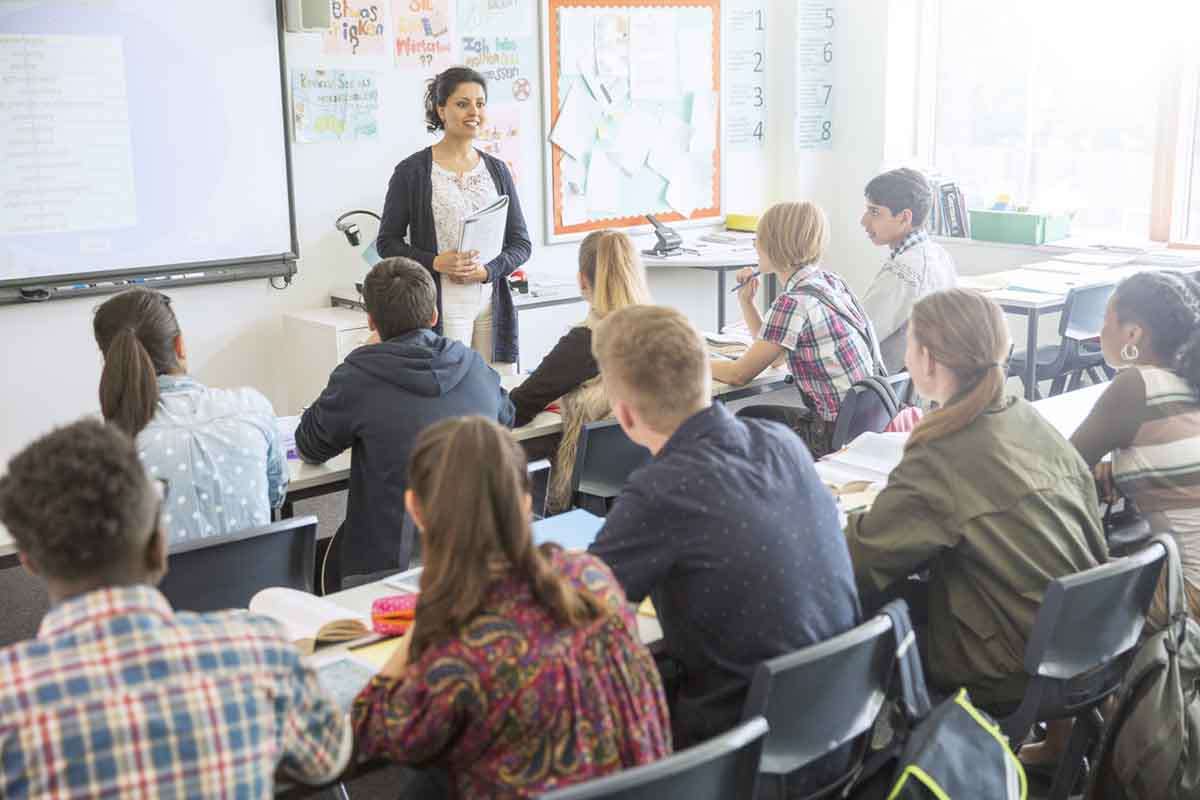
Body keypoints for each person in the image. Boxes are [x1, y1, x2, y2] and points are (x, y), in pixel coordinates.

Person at [0, 419, 351, 798]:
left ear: (30, 563)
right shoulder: (260, 650)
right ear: (158, 541)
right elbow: (327, 759)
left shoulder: (10, 699)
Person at [587, 305, 860, 788]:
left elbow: (577, 606)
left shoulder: (661, 490)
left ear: (624, 414)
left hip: (742, 754)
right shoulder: (784, 444)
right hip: (840, 729)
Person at [352, 417, 670, 799]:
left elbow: (369, 730)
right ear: (525, 501)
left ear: (415, 510)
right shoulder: (592, 576)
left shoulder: (458, 645)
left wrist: (425, 617)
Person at [845, 289, 1107, 710]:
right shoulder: (1023, 416)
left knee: (869, 606)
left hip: (1008, 666)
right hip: (1086, 642)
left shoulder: (943, 453)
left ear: (928, 359)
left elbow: (862, 561)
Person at [295, 257, 515, 590]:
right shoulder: (472, 363)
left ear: (371, 321)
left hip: (385, 571)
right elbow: (506, 417)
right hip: (477, 555)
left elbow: (309, 444)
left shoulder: (358, 375)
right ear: (434, 316)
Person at [93, 287, 286, 543]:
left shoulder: (103, 447)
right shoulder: (252, 407)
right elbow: (276, 495)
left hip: (163, 583)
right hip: (262, 581)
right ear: (179, 345)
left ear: (111, 361)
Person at [377, 66, 532, 370]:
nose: (474, 111)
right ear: (441, 109)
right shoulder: (412, 172)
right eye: (463, 104)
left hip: (492, 302)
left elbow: (521, 244)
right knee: (451, 391)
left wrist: (488, 270)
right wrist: (435, 261)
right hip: (440, 304)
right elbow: (387, 243)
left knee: (495, 396)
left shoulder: (498, 170)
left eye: (480, 103)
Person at [1070, 271, 1200, 619]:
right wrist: (1121, 462)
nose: (1099, 332)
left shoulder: (1136, 385)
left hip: (1189, 595)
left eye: (1105, 319)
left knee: (1042, 597)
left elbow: (1061, 467)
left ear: (1133, 334)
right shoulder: (1187, 378)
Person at [711, 201, 884, 458]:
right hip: (865, 425)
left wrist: (690, 360)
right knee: (756, 417)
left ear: (776, 245)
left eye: (759, 239)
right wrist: (746, 303)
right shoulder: (830, 282)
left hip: (829, 434)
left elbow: (739, 375)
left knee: (743, 422)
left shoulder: (793, 302)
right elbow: (777, 357)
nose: (754, 246)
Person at [508, 229, 652, 511]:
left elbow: (517, 407)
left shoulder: (586, 342)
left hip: (589, 485)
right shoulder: (664, 332)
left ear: (582, 280)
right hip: (649, 483)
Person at [859, 167, 958, 373]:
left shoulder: (904, 271)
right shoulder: (939, 255)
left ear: (904, 217)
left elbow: (860, 335)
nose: (864, 221)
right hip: (921, 389)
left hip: (884, 392)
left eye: (874, 212)